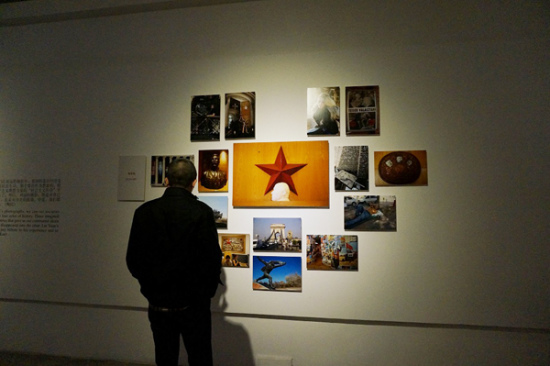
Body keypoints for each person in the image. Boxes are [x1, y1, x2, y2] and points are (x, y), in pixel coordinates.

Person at [126, 158, 222, 366]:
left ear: (166, 180)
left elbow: (133, 260)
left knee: (165, 357)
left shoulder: (144, 212)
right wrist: (204, 293)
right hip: (194, 305)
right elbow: (212, 259)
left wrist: (150, 286)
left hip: (159, 302)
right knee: (200, 358)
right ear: (194, 182)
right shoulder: (202, 212)